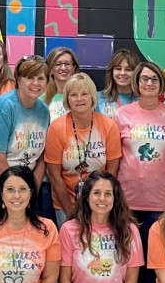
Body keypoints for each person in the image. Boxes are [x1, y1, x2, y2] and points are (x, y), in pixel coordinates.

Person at [114, 61, 165, 283]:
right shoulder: (122, 115)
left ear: (161, 83)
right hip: (127, 198)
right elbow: (115, 156)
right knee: (125, 258)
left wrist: (157, 172)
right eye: (144, 79)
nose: (149, 83)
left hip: (160, 199)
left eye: (154, 79)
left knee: (156, 260)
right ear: (137, 83)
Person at [0, 56, 51, 224]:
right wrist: (17, 190)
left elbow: (42, 157)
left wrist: (31, 188)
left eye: (41, 78)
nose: (36, 83)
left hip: (23, 182)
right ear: (18, 79)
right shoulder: (3, 108)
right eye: (30, 77)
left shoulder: (43, 110)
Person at [44, 73, 121, 224]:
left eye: (84, 94)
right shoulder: (56, 128)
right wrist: (69, 211)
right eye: (73, 95)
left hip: (100, 202)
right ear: (67, 99)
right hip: (66, 202)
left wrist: (100, 201)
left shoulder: (108, 125)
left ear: (92, 96)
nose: (79, 99)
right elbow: (54, 175)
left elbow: (112, 171)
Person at [95, 49, 139, 117]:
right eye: (118, 69)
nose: (122, 73)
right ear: (112, 71)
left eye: (128, 69)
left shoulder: (142, 100)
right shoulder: (97, 98)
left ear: (136, 72)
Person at [42, 46, 79, 119]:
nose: (63, 68)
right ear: (51, 69)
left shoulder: (82, 98)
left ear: (73, 68)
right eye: (58, 64)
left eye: (67, 64)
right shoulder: (41, 99)